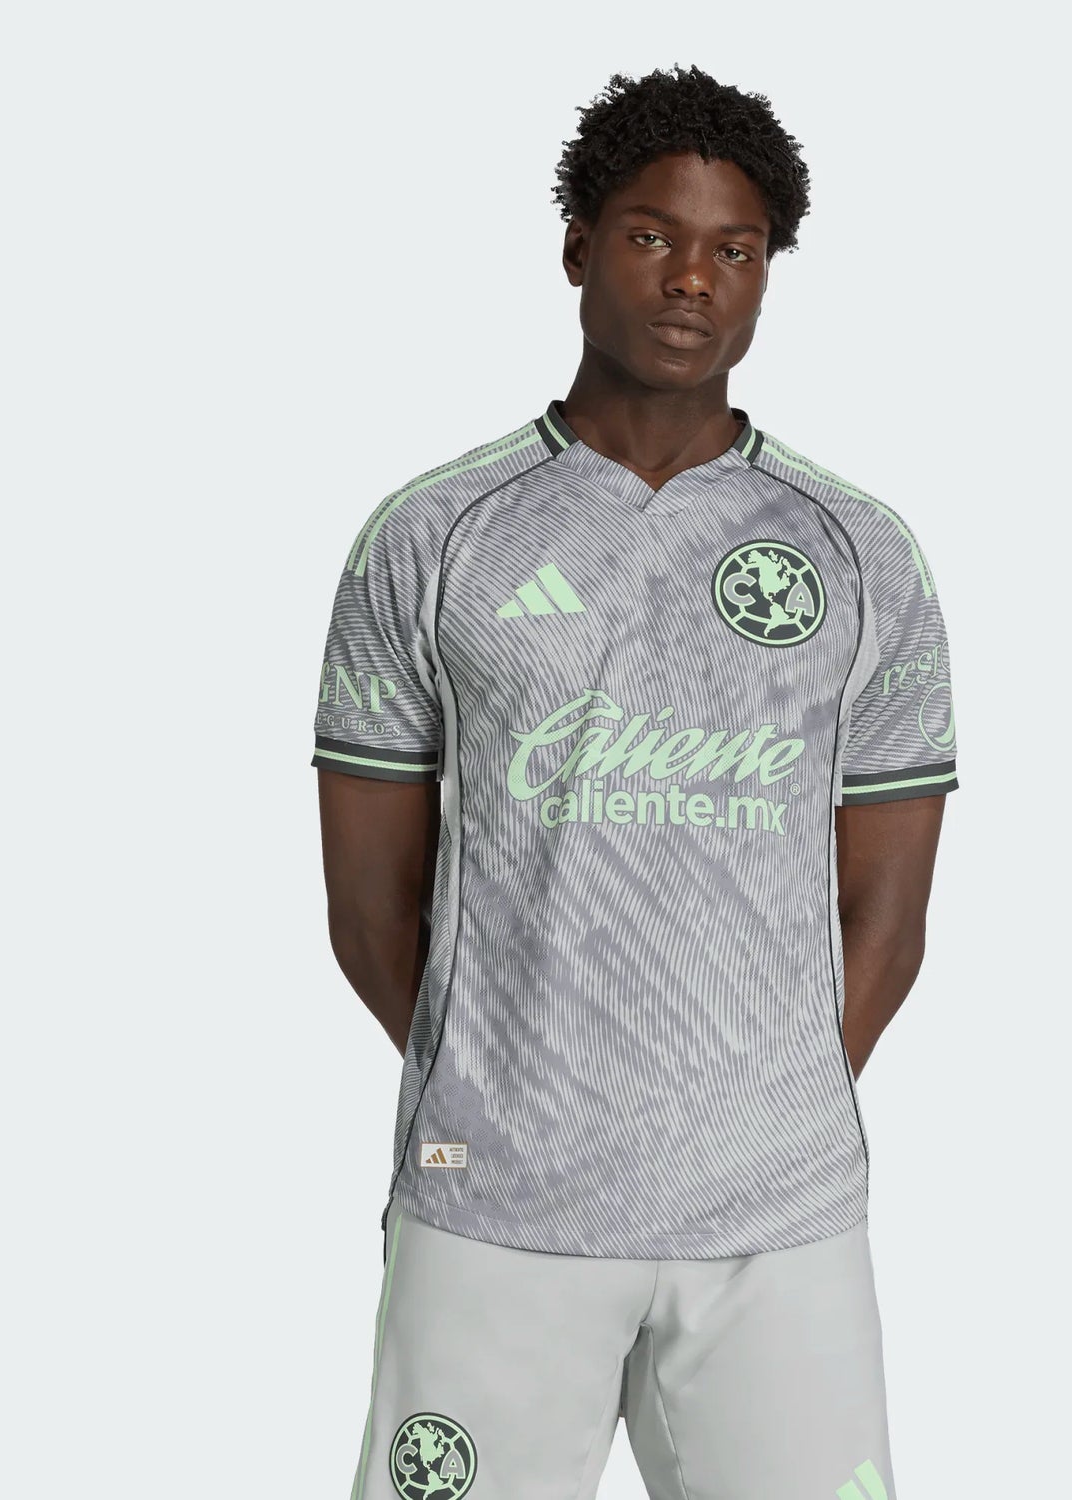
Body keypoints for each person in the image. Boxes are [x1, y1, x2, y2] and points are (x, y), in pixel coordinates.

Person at [312, 63, 958, 1500]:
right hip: (497, 1208)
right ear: (578, 249)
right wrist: (523, 1093)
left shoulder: (862, 553)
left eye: (737, 250)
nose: (692, 279)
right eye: (653, 235)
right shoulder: (432, 536)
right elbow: (371, 910)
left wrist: (739, 1109)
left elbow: (887, 919)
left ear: (766, 278)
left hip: (775, 1222)